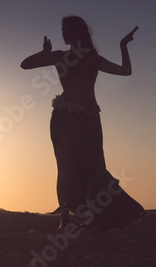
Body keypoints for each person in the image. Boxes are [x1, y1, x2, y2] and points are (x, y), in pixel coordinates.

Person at [20, 16, 145, 231]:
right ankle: (65, 220)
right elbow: (25, 64)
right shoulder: (60, 56)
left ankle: (99, 218)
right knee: (66, 170)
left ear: (78, 32)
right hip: (64, 119)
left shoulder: (94, 60)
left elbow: (126, 71)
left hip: (90, 119)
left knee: (96, 167)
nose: (63, 33)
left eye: (66, 29)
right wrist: (45, 52)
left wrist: (123, 46)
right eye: (62, 29)